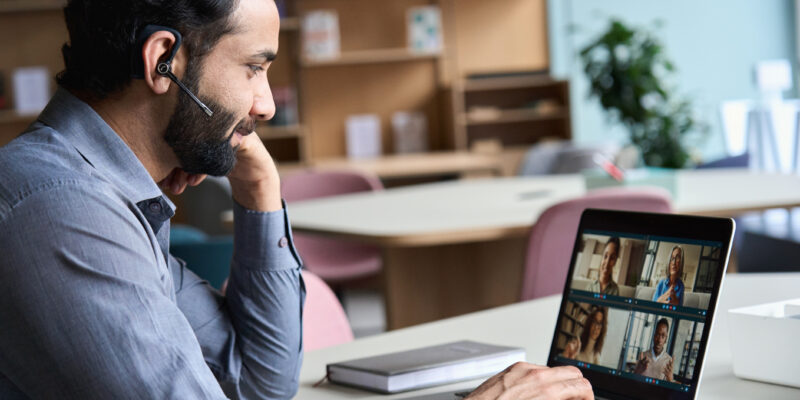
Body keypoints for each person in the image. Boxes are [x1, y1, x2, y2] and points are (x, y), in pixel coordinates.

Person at [0, 1, 594, 399]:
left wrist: (259, 188)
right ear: (164, 61)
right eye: (254, 68)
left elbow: (260, 382)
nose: (266, 106)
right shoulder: (60, 210)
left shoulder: (105, 199)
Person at [633, 318, 675, 382]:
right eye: (657, 334)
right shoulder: (643, 357)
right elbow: (633, 381)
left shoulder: (668, 361)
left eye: (663, 336)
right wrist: (637, 372)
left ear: (666, 339)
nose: (659, 340)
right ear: (654, 335)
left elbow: (668, 387)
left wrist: (670, 380)